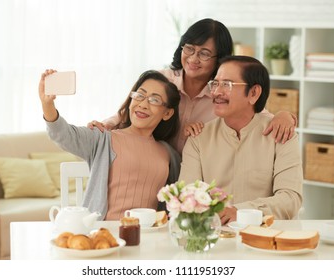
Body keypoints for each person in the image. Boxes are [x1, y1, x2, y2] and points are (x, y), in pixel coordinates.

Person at [87, 18, 297, 154]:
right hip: (154, 169)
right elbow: (129, 112)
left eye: (204, 53)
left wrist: (285, 116)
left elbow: (255, 113)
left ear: (219, 58)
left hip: (196, 182)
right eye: (189, 49)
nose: (193, 58)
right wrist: (104, 126)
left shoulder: (222, 95)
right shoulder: (163, 80)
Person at [39, 69, 181, 220]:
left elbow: (177, 202)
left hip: (148, 238)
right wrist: (47, 104)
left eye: (154, 100)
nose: (143, 104)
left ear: (167, 113)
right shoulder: (103, 138)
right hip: (104, 236)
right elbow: (64, 135)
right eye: (139, 95)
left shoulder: (168, 153)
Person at [178, 56, 303, 224]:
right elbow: (188, 196)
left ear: (253, 93)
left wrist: (240, 212)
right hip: (214, 238)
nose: (216, 92)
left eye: (227, 84)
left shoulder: (281, 135)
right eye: (215, 84)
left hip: (266, 239)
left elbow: (290, 199)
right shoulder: (198, 138)